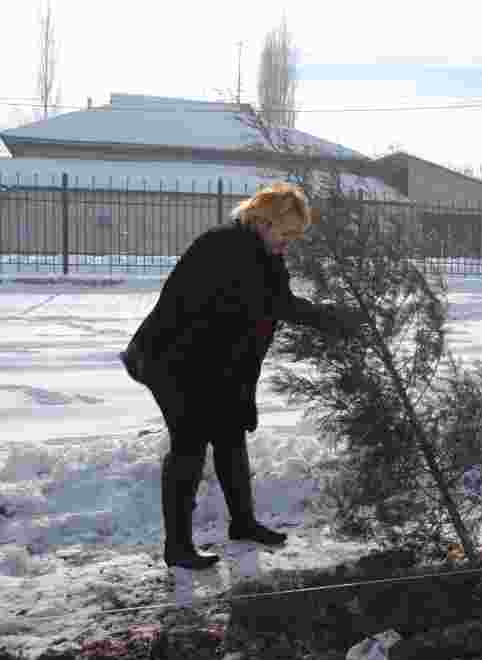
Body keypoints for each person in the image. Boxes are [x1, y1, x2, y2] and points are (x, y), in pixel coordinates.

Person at [120, 182, 357, 569]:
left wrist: (240, 389)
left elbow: (270, 307)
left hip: (213, 359)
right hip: (170, 358)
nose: (289, 243)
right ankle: (177, 547)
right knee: (190, 443)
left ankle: (243, 524)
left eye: (295, 237)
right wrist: (333, 317)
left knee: (229, 431)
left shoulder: (265, 252)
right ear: (262, 221)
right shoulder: (225, 247)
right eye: (286, 233)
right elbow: (277, 305)